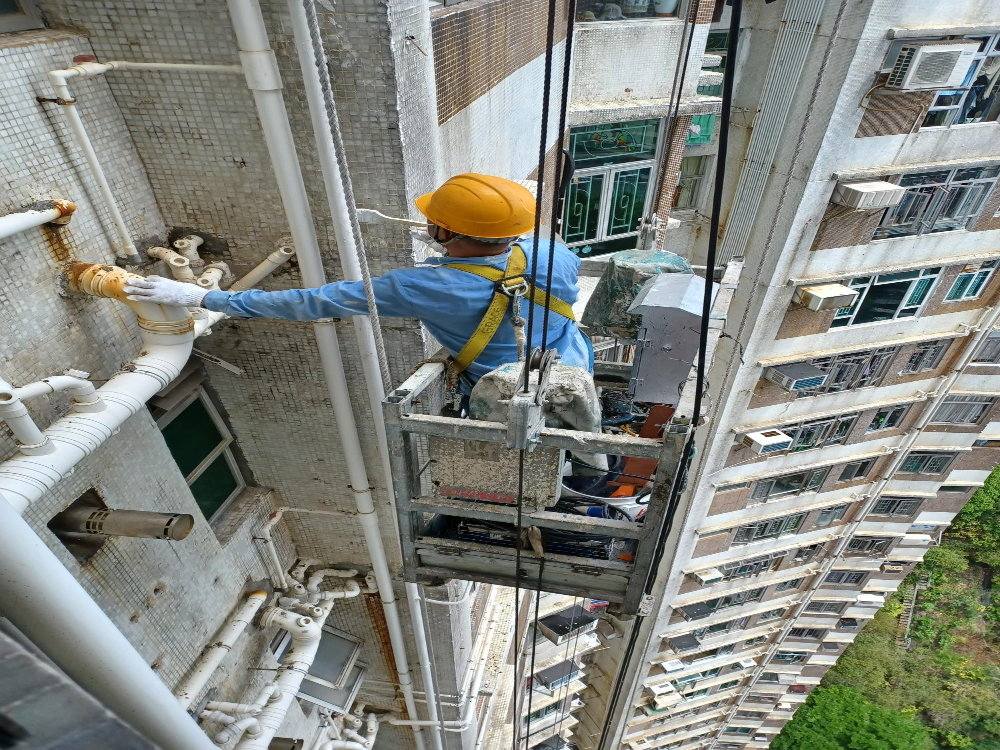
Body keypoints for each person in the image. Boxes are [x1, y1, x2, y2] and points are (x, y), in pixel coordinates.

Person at [124, 173, 594, 387]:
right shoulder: (553, 252)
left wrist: (205, 296)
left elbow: (313, 302)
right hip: (573, 363)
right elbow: (510, 263)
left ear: (446, 231)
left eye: (433, 222)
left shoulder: (421, 286)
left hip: (508, 386)